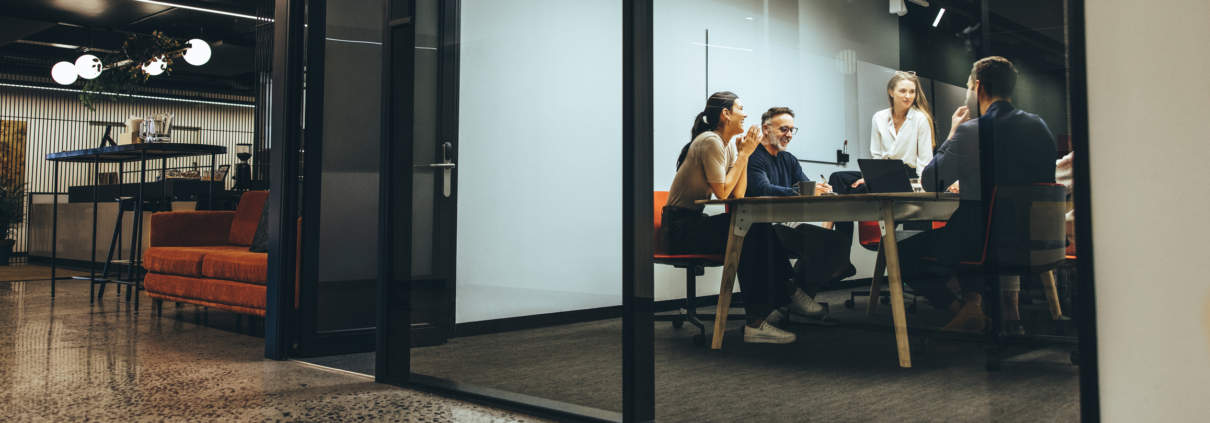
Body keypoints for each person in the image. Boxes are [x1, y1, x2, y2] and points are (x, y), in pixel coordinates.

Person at [897, 56, 1057, 332]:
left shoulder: (973, 131)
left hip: (984, 240)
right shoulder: (1039, 127)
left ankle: (963, 310)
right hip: (1034, 238)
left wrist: (953, 133)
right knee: (969, 227)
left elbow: (931, 181)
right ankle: (975, 308)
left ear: (979, 88)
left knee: (903, 254)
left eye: (969, 86)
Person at [662, 92, 801, 344]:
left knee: (753, 227)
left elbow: (737, 195)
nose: (745, 114)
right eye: (740, 108)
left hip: (693, 223)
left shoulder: (725, 145)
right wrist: (746, 155)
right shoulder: (710, 142)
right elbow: (723, 192)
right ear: (726, 114)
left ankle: (779, 299)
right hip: (680, 229)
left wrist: (742, 157)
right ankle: (768, 311)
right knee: (748, 230)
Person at [744, 107, 855, 310]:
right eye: (783, 129)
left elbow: (805, 186)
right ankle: (795, 296)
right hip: (762, 229)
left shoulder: (789, 159)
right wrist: (806, 191)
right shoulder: (753, 157)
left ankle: (797, 293)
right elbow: (763, 189)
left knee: (837, 242)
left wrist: (822, 190)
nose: (788, 135)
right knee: (826, 244)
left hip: (787, 225)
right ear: (766, 129)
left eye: (792, 130)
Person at [832, 71, 938, 193]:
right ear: (891, 92)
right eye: (903, 91)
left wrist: (921, 186)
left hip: (908, 176)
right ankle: (843, 210)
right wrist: (869, 178)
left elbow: (925, 159)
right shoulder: (879, 117)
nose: (908, 96)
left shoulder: (921, 119)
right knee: (838, 177)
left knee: (862, 189)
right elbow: (876, 154)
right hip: (883, 173)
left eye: (912, 91)